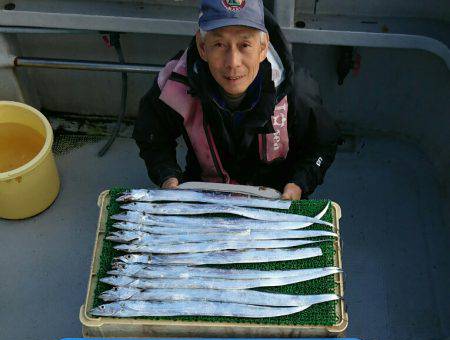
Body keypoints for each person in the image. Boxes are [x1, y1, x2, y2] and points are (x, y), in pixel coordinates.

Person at [133, 0, 340, 200]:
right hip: (203, 194)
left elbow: (322, 144)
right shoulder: (176, 82)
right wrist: (167, 176)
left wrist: (299, 183)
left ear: (262, 46)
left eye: (245, 45)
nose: (232, 63)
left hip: (276, 198)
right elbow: (151, 134)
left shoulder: (296, 90)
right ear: (202, 46)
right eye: (219, 44)